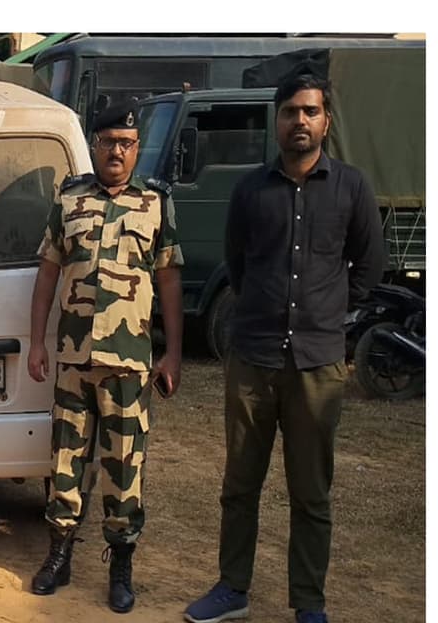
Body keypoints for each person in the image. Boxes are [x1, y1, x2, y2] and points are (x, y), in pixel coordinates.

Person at [184, 68, 384, 623]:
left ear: (326, 120)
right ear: (276, 119)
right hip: (253, 359)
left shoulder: (351, 187)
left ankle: (309, 603)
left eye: (311, 111)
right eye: (291, 111)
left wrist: (331, 317)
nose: (301, 120)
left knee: (311, 494)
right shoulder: (251, 190)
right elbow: (240, 265)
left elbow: (369, 265)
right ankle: (232, 589)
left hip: (317, 365)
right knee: (240, 484)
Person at [27, 99, 183, 614]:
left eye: (126, 143)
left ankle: (121, 564)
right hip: (73, 359)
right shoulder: (69, 201)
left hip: (129, 362)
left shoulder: (155, 204)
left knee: (123, 466)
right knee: (66, 462)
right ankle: (59, 555)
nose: (116, 150)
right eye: (108, 141)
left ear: (137, 149)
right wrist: (37, 341)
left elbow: (169, 280)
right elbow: (48, 270)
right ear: (93, 145)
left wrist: (174, 353)